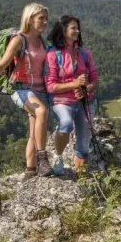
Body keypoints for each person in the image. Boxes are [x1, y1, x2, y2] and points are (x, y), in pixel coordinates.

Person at [0, 3, 53, 177]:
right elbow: (2, 64)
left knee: (34, 131)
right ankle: (43, 160)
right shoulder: (19, 40)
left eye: (46, 18)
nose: (45, 22)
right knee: (41, 112)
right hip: (21, 89)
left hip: (40, 90)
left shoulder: (42, 41)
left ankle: (30, 169)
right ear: (30, 19)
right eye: (41, 18)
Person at [44, 14, 100, 174]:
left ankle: (80, 177)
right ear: (63, 30)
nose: (77, 31)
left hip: (84, 102)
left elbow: (95, 80)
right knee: (66, 123)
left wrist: (86, 89)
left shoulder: (84, 53)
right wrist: (74, 84)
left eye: (78, 28)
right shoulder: (53, 55)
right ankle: (58, 156)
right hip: (62, 101)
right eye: (73, 28)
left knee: (83, 144)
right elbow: (51, 87)